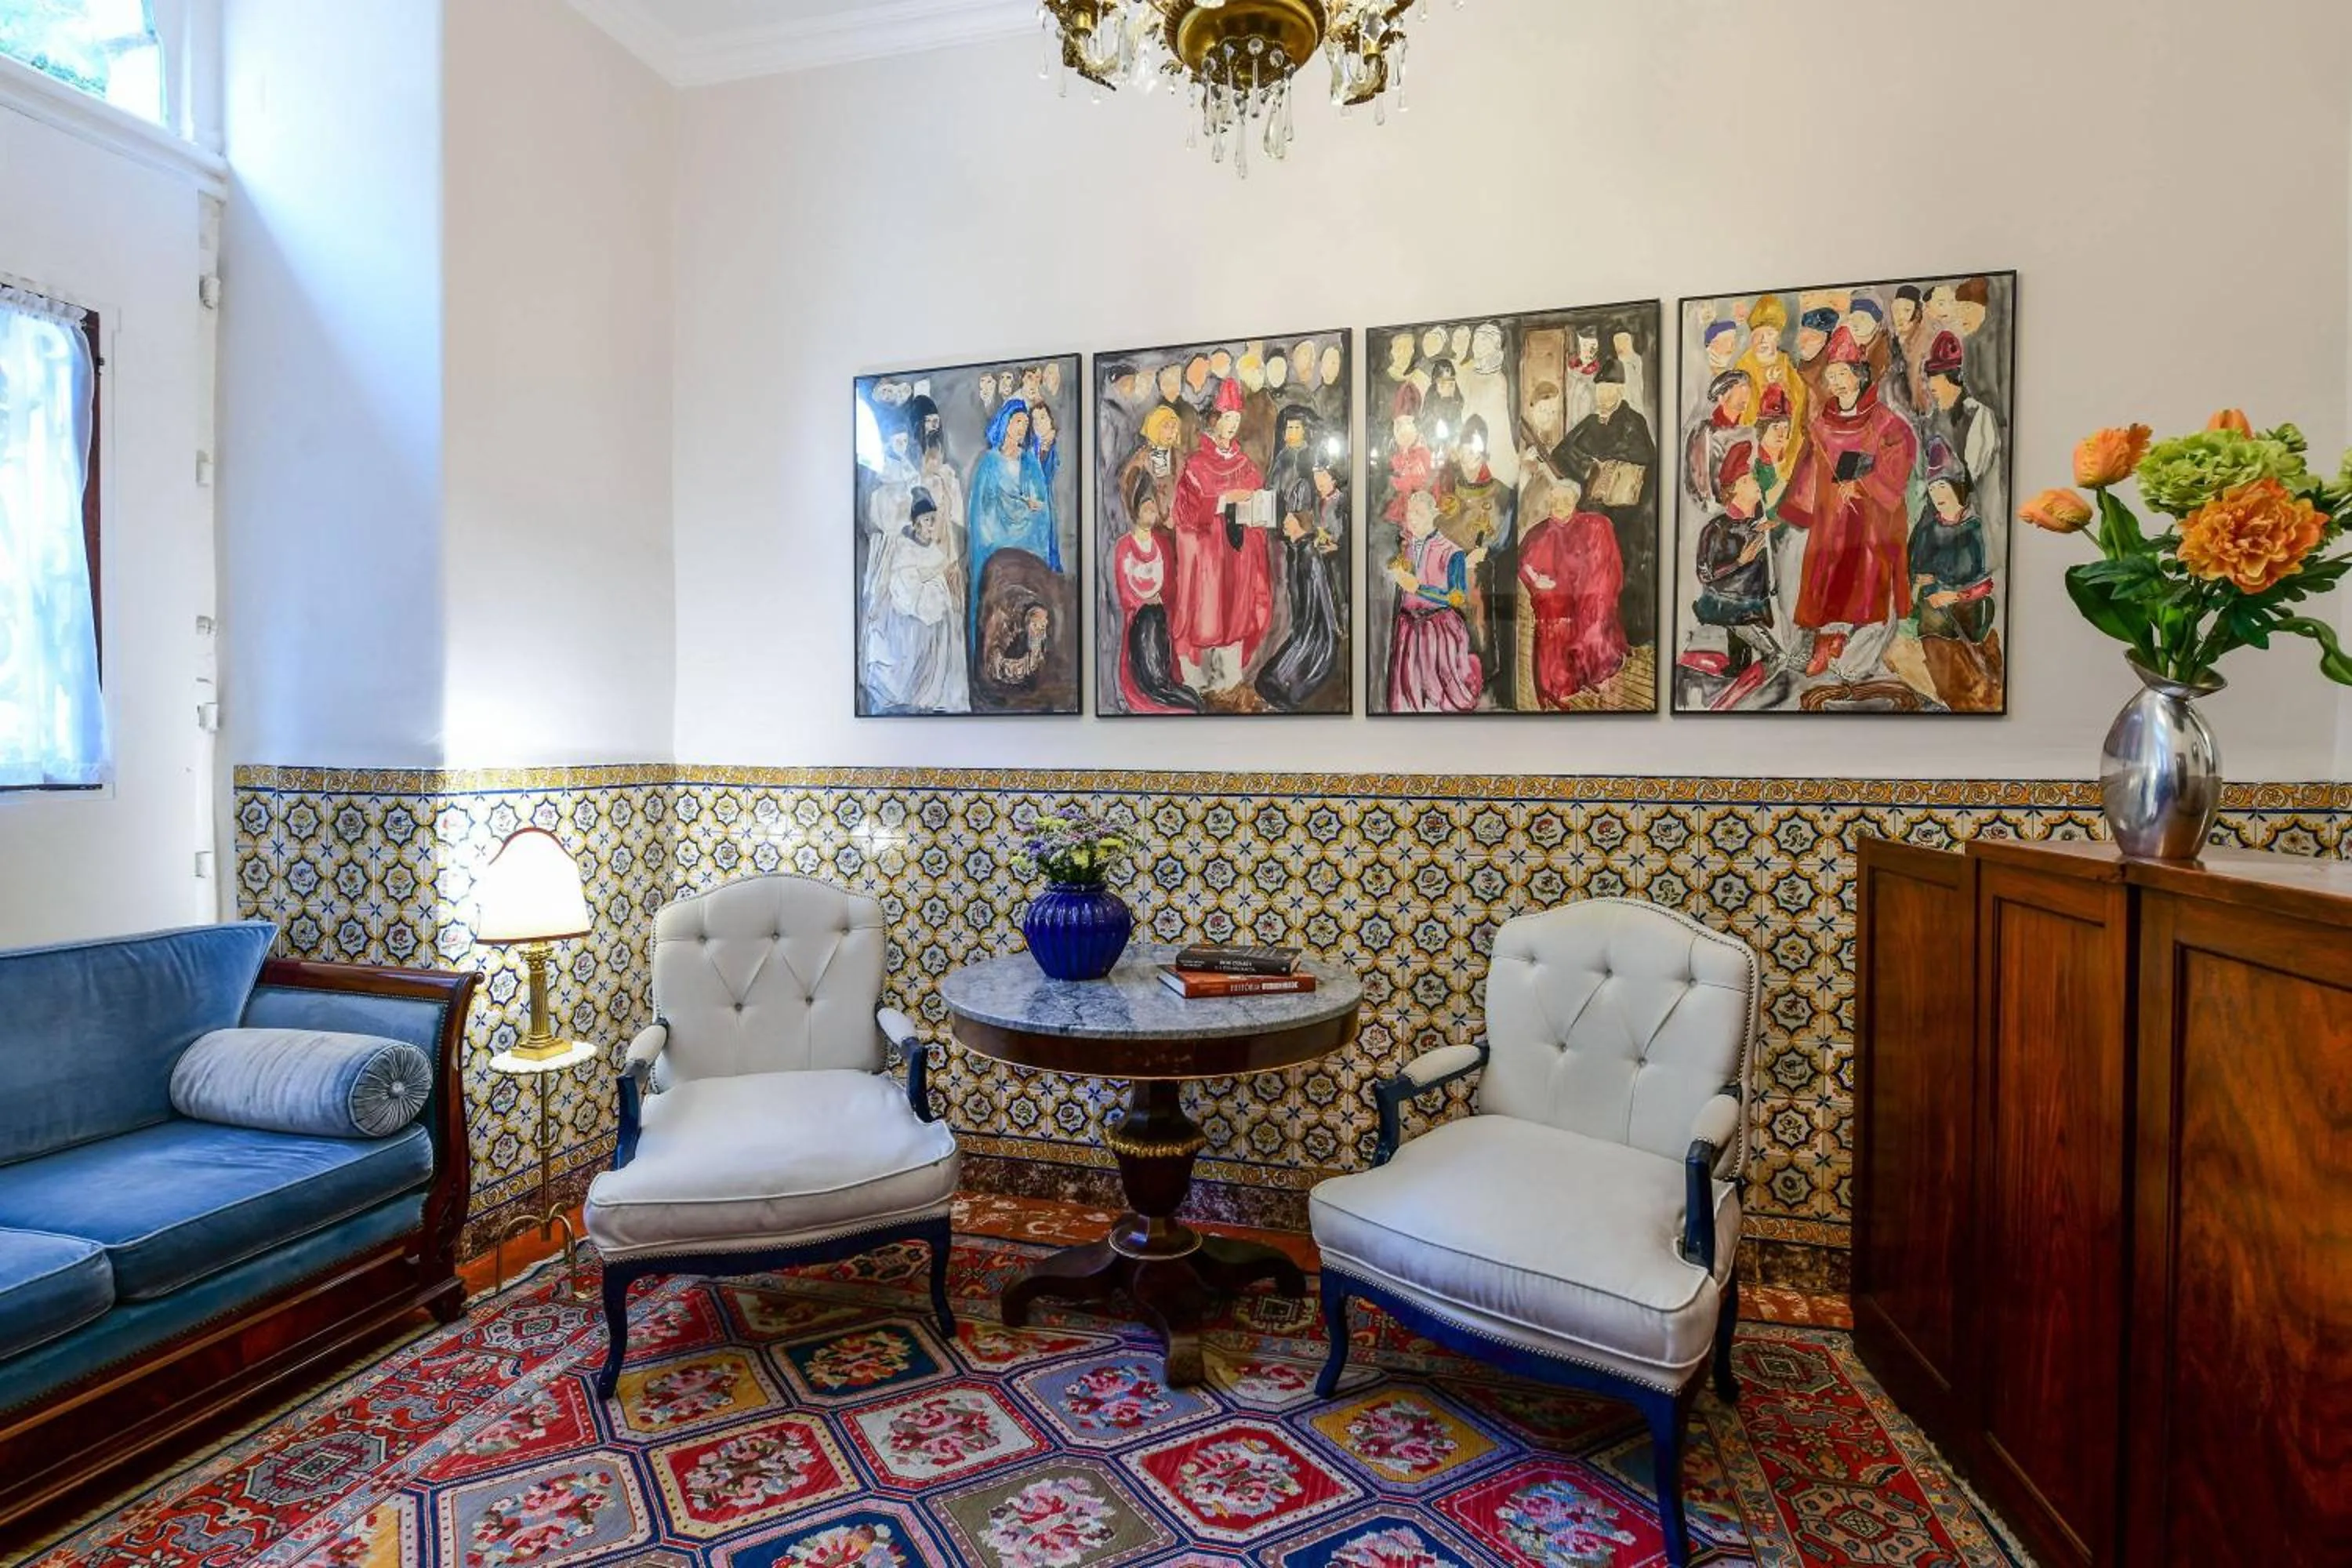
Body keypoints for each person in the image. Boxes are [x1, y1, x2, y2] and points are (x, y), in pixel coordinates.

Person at [1777, 327, 1920, 681]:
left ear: (1859, 376)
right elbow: (1808, 469)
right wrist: (1794, 510)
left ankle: (1857, 645)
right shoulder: (1821, 423)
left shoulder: (1885, 421)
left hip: (1871, 521)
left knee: (1866, 577)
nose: (1837, 382)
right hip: (1831, 517)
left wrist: (1864, 483)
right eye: (1831, 375)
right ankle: (1828, 639)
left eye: (1843, 374)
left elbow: (1899, 460)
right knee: (1825, 572)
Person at [1168, 378, 1272, 692]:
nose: (1232, 426)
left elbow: (1257, 503)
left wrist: (1257, 509)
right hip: (1208, 557)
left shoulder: (1245, 465)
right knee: (1208, 612)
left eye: (1236, 420)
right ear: (1214, 420)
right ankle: (1198, 678)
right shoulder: (1196, 465)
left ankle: (1228, 677)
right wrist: (1225, 500)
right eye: (1227, 418)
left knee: (1237, 610)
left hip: (1239, 554)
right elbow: (1184, 513)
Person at [1553, 361, 1657, 641]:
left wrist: (1614, 464)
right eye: (1600, 389)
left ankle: (1628, 632)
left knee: (1622, 570)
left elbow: (1647, 462)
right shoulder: (1589, 423)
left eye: (1610, 389)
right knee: (1591, 571)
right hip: (1594, 513)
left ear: (1621, 391)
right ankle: (1593, 629)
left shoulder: (1634, 422)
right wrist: (1589, 468)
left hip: (1627, 516)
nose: (1605, 395)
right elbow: (1561, 453)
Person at [1516, 477, 1626, 707]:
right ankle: (1560, 687)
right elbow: (1523, 563)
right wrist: (1536, 580)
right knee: (1554, 624)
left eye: (1565, 499)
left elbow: (1606, 567)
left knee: (1594, 618)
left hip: (1586, 597)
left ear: (1575, 500)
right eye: (1555, 499)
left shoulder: (1595, 525)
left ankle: (1595, 674)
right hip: (1554, 602)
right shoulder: (1538, 533)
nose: (1559, 504)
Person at [862, 490, 969, 713]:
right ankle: (913, 685)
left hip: (931, 625)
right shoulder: (903, 549)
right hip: (907, 625)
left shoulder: (933, 551)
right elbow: (908, 595)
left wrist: (945, 582)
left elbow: (939, 581)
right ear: (916, 523)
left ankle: (936, 684)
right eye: (927, 521)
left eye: (934, 520)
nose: (932, 526)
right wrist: (939, 580)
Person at [1255, 449, 1347, 711]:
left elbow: (1324, 592)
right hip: (1309, 603)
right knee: (1299, 635)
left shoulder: (1338, 505)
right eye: (1317, 477)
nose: (1319, 483)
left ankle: (1288, 686)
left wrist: (1332, 623)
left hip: (1328, 579)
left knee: (1309, 645)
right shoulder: (1300, 550)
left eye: (1324, 477)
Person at [1907, 460, 2002, 711]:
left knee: (1972, 661)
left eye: (1942, 487)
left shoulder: (1976, 529)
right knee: (1933, 638)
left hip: (1970, 608)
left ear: (1956, 488)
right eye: (1932, 489)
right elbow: (1917, 565)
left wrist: (1958, 595)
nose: (1936, 494)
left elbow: (1989, 579)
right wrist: (1920, 580)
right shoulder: (1927, 529)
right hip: (1933, 607)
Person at [967, 396, 1057, 648]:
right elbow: (982, 514)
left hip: (1028, 549)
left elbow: (1041, 509)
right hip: (996, 551)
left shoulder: (1030, 463)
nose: (1022, 427)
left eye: (1025, 423)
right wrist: (1019, 507)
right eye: (1018, 421)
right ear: (1005, 423)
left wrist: (1030, 508)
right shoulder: (988, 464)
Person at [1111, 469, 1201, 713]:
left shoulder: (1162, 543)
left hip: (1160, 617)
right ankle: (1152, 685)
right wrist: (1143, 602)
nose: (1151, 513)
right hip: (1140, 621)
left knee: (1186, 694)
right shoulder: (1124, 547)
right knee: (1150, 668)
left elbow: (1171, 583)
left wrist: (1160, 599)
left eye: (1153, 508)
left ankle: (1165, 683)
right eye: (1146, 508)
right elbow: (1124, 589)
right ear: (1135, 510)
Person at [1385, 490, 1483, 712]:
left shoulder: (1453, 552)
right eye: (1410, 513)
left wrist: (1419, 589)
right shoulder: (1406, 548)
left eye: (1418, 513)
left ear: (1433, 514)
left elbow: (1457, 598)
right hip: (1408, 629)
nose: (1412, 518)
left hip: (1438, 631)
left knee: (1442, 696)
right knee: (1407, 696)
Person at [1690, 442, 1777, 684]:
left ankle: (1739, 671)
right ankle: (1751, 685)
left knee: (1738, 662)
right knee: (1775, 657)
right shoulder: (1716, 530)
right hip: (1728, 609)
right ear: (1735, 488)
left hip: (1749, 608)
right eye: (1750, 481)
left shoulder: (1756, 525)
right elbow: (1705, 574)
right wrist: (1739, 561)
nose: (1757, 485)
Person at [1439, 413, 1513, 674]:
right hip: (1451, 567)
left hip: (1482, 570)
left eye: (1476, 455)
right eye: (1466, 454)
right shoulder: (1450, 491)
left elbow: (1504, 532)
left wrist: (1486, 550)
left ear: (1484, 455)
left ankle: (1482, 665)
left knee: (1478, 611)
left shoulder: (1502, 492)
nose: (1470, 462)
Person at [1923, 330, 2001, 513]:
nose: (1931, 386)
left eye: (1937, 378)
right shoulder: (1930, 421)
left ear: (1952, 379)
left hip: (1972, 510)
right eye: (1931, 378)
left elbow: (1975, 474)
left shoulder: (1977, 414)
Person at [1737, 296, 1809, 477]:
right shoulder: (1744, 365)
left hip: (1785, 439)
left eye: (1769, 334)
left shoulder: (1784, 362)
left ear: (1777, 337)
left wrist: (1782, 385)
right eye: (1758, 335)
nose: (1763, 340)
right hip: (1754, 442)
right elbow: (1742, 411)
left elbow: (1800, 399)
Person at [1683, 369, 1753, 510]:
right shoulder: (1705, 432)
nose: (1745, 392)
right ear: (1722, 397)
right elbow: (1700, 477)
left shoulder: (1749, 433)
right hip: (1715, 508)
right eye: (1739, 387)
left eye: (1746, 387)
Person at [1385, 380, 1438, 524]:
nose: (1402, 431)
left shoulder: (1425, 457)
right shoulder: (1394, 457)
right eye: (1398, 424)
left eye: (1408, 423)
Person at [1423, 358, 1465, 448]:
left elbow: (1459, 428)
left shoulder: (1457, 402)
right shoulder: (1431, 404)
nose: (1447, 388)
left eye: (1451, 384)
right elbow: (1428, 431)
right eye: (1442, 384)